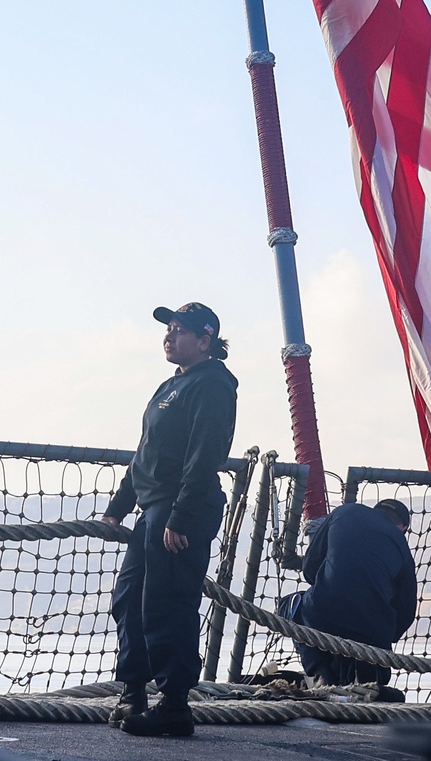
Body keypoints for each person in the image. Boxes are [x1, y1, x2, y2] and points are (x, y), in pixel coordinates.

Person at [102, 303, 238, 738]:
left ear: (205, 339)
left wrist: (181, 516)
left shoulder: (213, 385)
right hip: (152, 508)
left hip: (181, 509)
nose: (170, 336)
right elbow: (145, 453)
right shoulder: (170, 386)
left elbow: (205, 456)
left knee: (168, 604)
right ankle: (134, 692)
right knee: (130, 599)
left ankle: (175, 704)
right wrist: (118, 507)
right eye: (169, 329)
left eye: (179, 330)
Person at [278, 498, 417, 697]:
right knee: (366, 647)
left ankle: (320, 677)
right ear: (402, 526)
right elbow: (406, 610)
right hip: (374, 633)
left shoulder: (345, 512)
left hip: (323, 613)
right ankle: (369, 685)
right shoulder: (401, 544)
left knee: (289, 605)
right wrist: (383, 635)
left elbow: (310, 569)